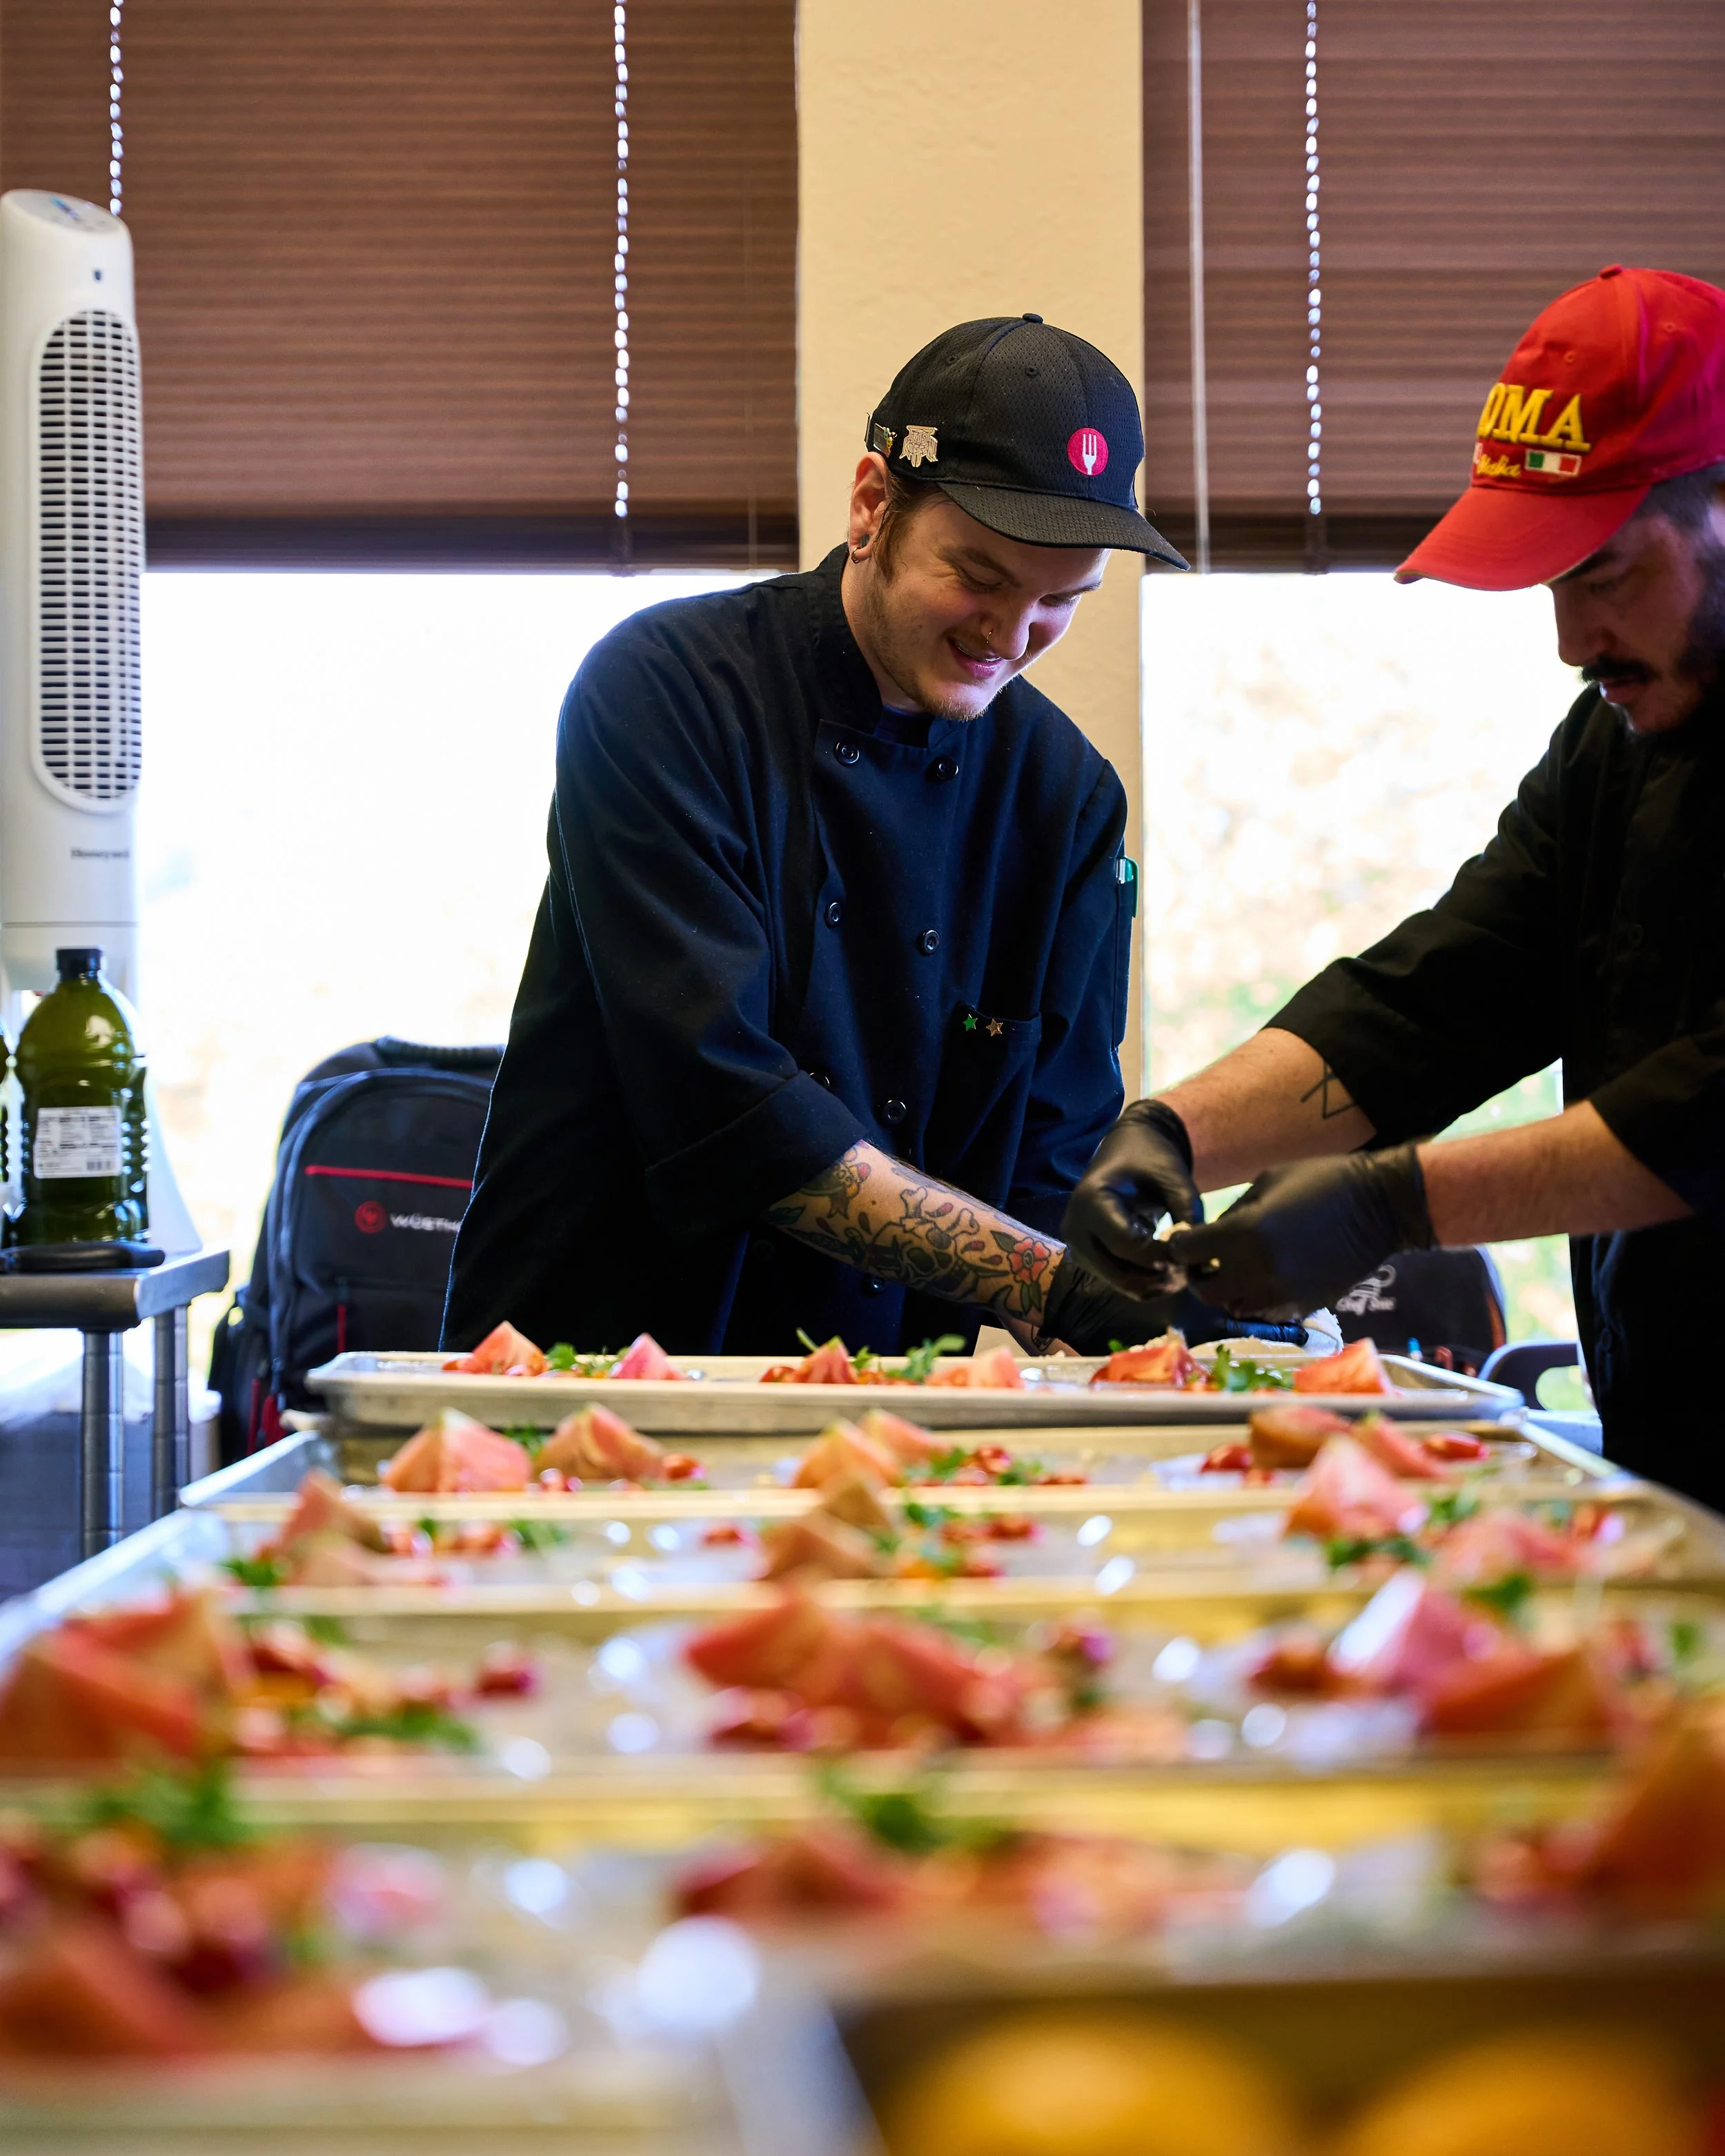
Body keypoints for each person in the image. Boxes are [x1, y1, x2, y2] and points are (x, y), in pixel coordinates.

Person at [446, 315, 1287, 1362]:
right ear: (872, 505)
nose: (1010, 636)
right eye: (979, 577)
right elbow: (729, 1111)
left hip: (895, 1390)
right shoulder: (664, 692)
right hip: (593, 1357)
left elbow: (1050, 1158)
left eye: (1060, 602)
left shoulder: (1067, 800)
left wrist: (1148, 1303)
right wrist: (1065, 1289)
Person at [1061, 265, 1725, 1506]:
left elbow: (1711, 1112)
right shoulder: (1619, 737)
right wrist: (1173, 1135)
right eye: (1551, 581)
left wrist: (1389, 1206)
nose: (1572, 641)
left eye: (1608, 570)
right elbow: (1442, 991)